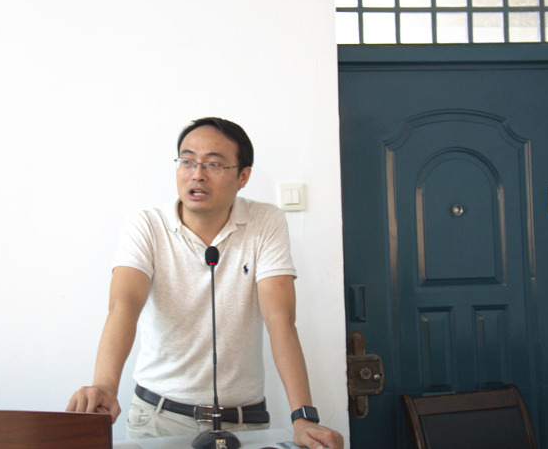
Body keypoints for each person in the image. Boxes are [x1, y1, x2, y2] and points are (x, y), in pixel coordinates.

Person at [67, 117, 343, 449]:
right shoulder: (146, 225)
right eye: (187, 161)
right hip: (159, 419)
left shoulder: (265, 222)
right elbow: (124, 306)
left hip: (245, 421)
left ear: (243, 176)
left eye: (214, 164)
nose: (197, 174)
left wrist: (303, 417)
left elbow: (280, 320)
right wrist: (105, 386)